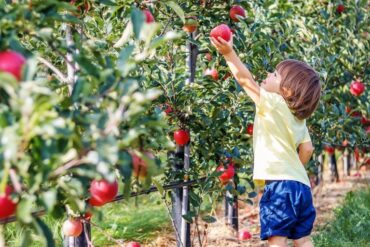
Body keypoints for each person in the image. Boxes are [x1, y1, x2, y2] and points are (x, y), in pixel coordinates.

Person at [211, 34, 321, 247]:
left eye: (275, 75)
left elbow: (245, 80)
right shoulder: (299, 118)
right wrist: (294, 169)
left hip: (280, 186)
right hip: (302, 187)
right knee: (302, 239)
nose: (269, 74)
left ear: (287, 90)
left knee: (277, 239)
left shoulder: (272, 102)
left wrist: (228, 53)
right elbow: (307, 149)